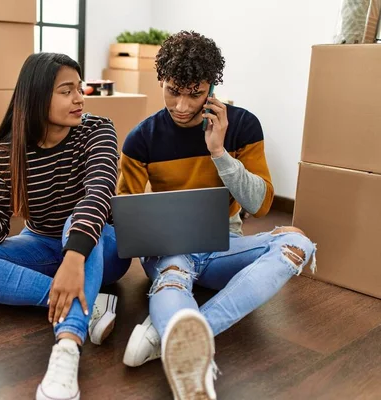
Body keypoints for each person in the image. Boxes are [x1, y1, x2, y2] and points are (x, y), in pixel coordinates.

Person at [117, 31, 316, 400]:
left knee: (297, 243)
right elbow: (124, 216)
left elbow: (260, 206)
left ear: (212, 86)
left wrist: (220, 153)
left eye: (195, 93)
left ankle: (169, 333)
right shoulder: (140, 139)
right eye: (172, 90)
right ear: (161, 81)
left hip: (225, 245)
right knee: (175, 270)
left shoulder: (242, 126)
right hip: (169, 247)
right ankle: (186, 347)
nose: (181, 105)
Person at [0, 52, 131, 400]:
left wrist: (74, 261)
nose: (79, 98)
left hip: (102, 246)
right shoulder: (5, 152)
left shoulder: (97, 129)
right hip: (42, 243)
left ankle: (68, 345)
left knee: (77, 217)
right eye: (66, 91)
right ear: (37, 96)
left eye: (79, 89)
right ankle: (90, 305)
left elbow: (99, 193)